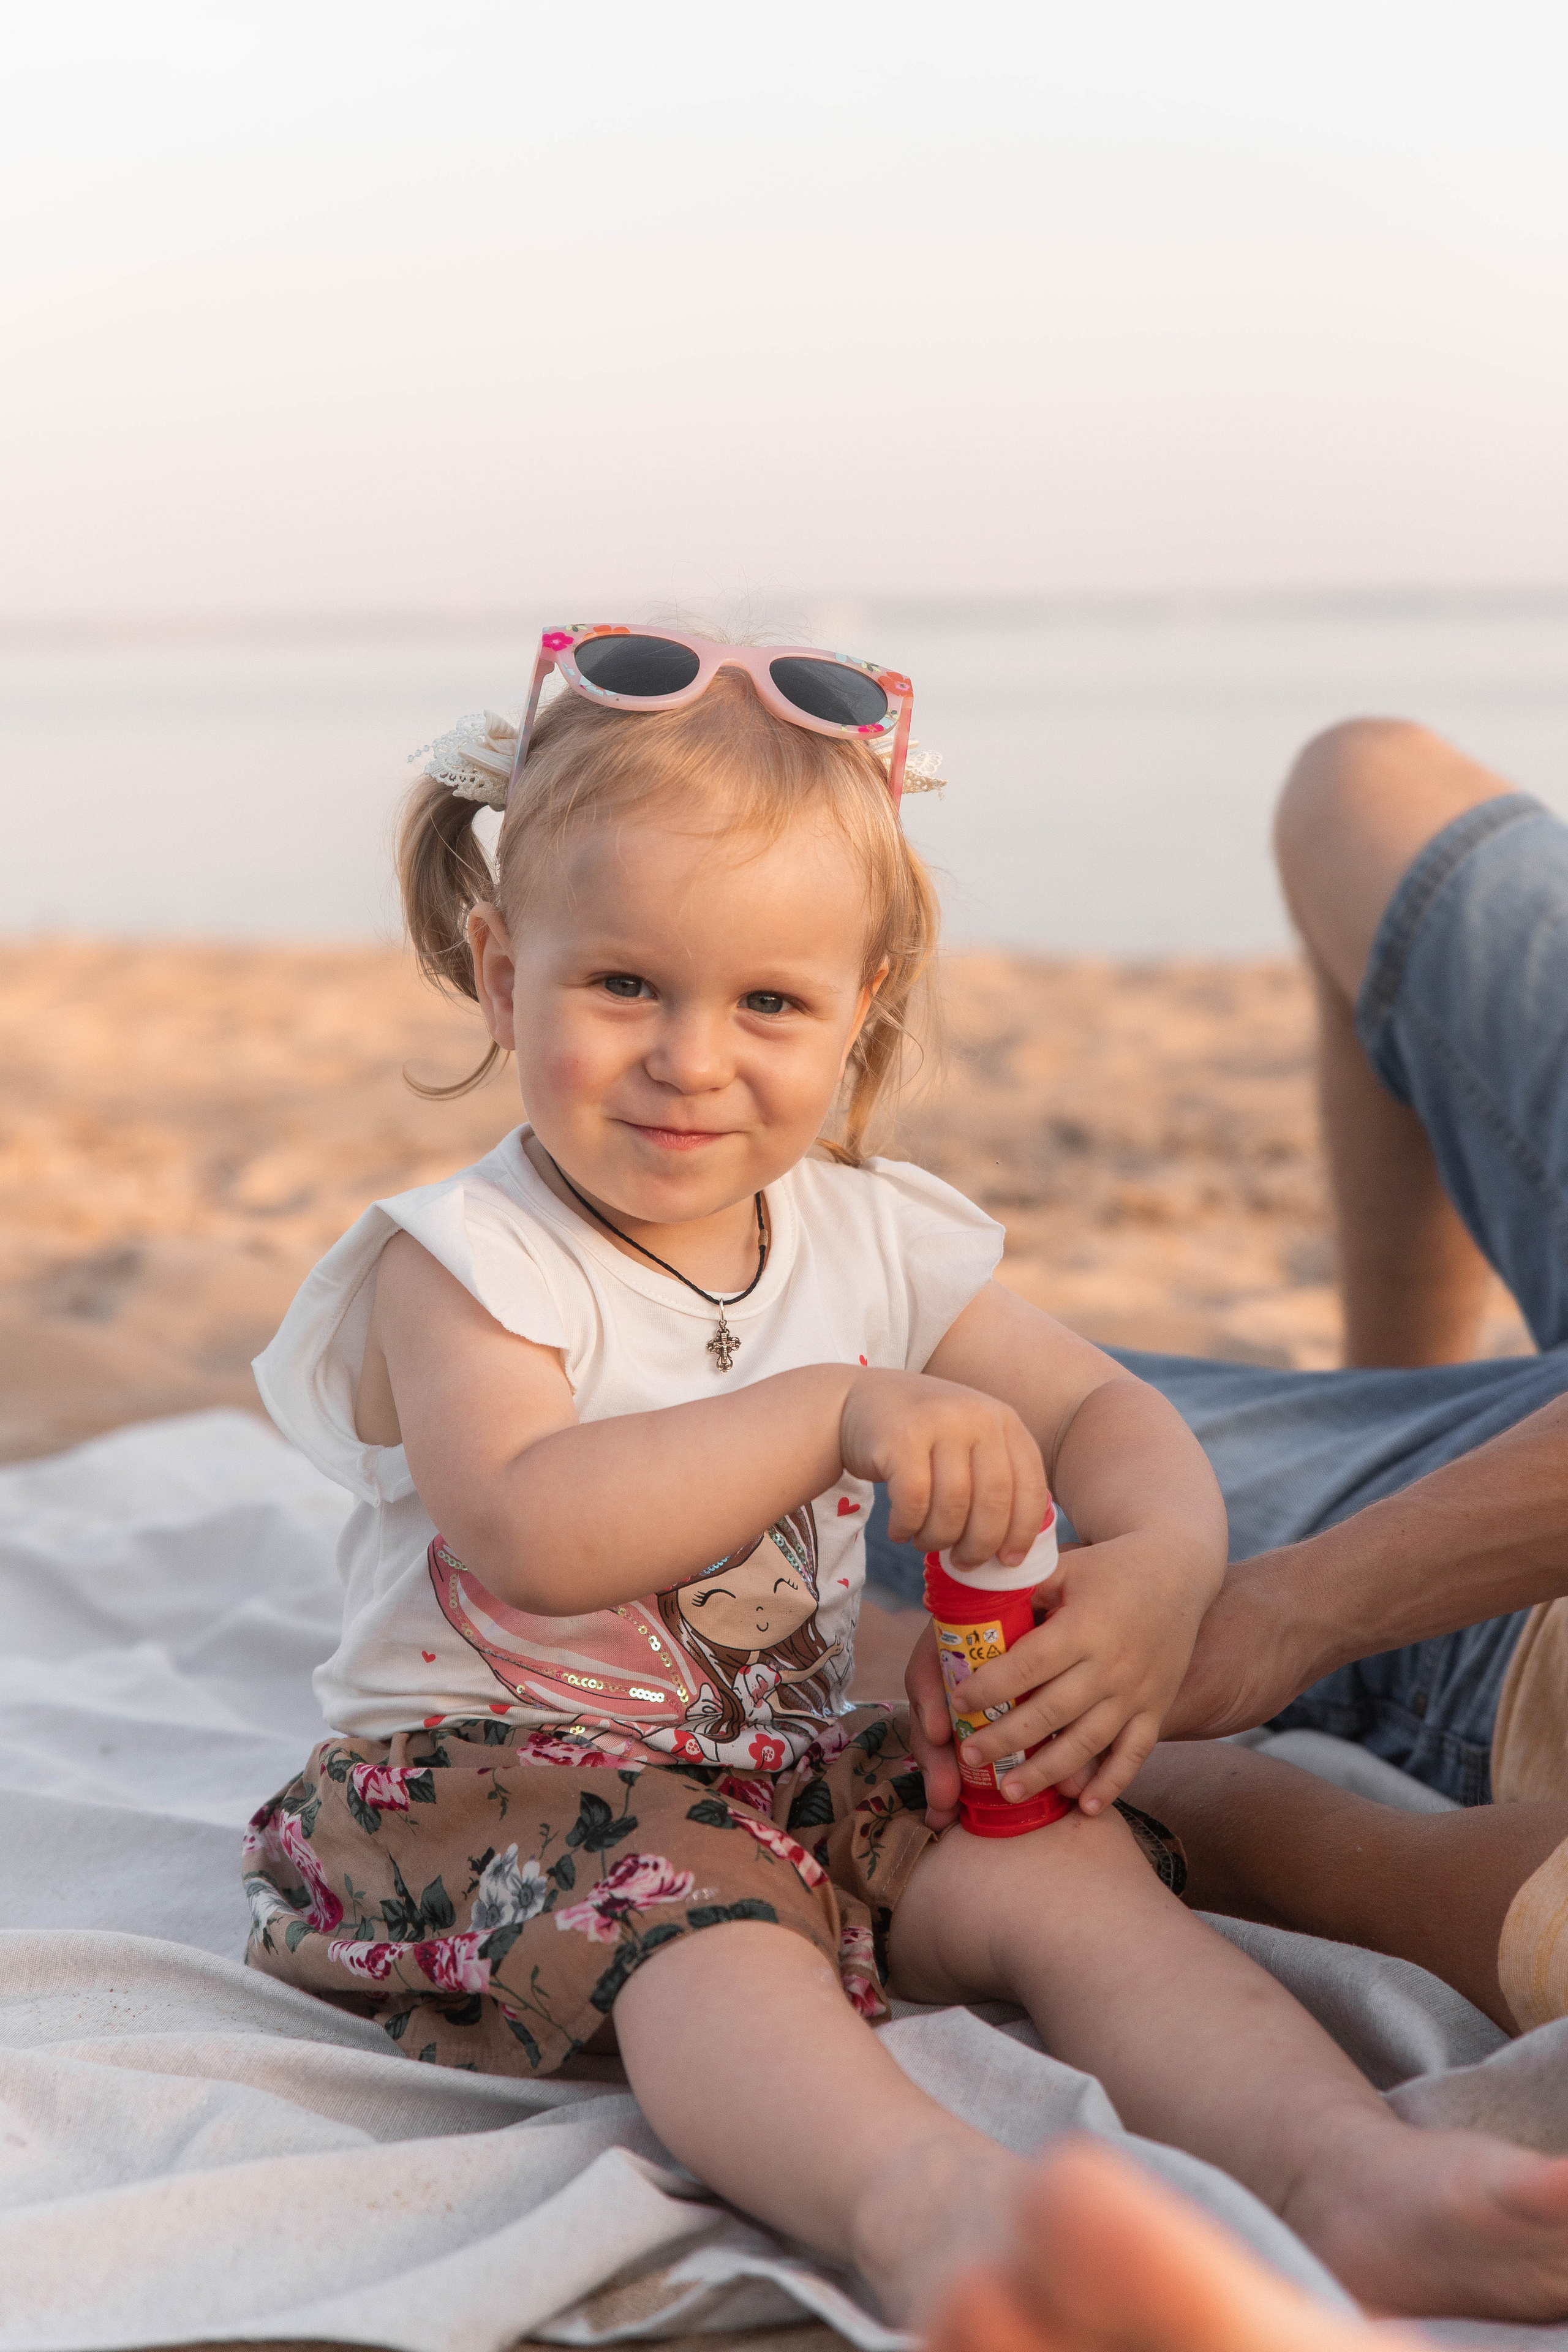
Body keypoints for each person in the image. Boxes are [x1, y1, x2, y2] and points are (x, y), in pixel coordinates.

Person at [241, 638, 1568, 2328]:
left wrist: (1163, 1561)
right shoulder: (472, 1260)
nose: (692, 1059)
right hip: (510, 1790)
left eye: (770, 1003)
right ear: (505, 976)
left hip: (789, 1761)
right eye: (625, 986)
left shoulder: (873, 1235)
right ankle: (942, 2218)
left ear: (859, 1012)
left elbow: (1108, 1412)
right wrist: (830, 1416)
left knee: (1060, 1868)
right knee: (710, 1939)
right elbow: (531, 1526)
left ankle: (1346, 2175)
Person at [889, 719, 1568, 2031]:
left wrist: (1240, 1719)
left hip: (1519, 1640)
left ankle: (1383, 1463)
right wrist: (1298, 1606)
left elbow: (1389, 1876)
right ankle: (1390, 1408)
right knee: (1361, 787)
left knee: (809, 1442)